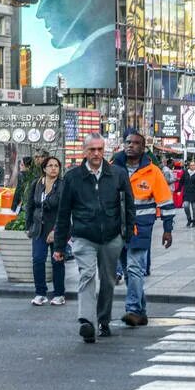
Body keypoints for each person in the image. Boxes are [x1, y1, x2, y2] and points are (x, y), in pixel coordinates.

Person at [53, 133, 135, 343]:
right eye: (92, 150)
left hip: (111, 236)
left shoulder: (117, 174)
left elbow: (129, 206)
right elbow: (63, 213)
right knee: (87, 275)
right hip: (84, 236)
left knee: (108, 280)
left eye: (100, 149)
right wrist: (59, 245)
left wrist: (128, 233)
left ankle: (103, 320)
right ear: (84, 151)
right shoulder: (72, 177)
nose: (96, 153)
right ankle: (86, 321)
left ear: (104, 150)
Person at [112, 129, 175, 327]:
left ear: (143, 147)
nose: (130, 145)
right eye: (128, 142)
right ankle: (141, 311)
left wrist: (168, 229)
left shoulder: (153, 171)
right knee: (130, 270)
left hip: (141, 228)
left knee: (134, 267)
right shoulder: (113, 168)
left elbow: (165, 201)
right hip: (117, 228)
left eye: (135, 143)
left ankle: (132, 309)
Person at [25, 156, 66, 306]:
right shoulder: (36, 184)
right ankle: (40, 293)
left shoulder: (63, 185)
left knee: (57, 261)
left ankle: (59, 294)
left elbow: (64, 210)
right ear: (44, 168)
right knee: (37, 260)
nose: (54, 168)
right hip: (38, 228)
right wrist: (28, 225)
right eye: (50, 165)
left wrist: (56, 230)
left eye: (56, 166)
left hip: (56, 228)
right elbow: (30, 205)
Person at [178, 160, 195, 227]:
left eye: (193, 165)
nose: (192, 166)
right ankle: (189, 219)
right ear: (189, 166)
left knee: (194, 208)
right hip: (186, 193)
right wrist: (178, 190)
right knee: (186, 206)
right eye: (191, 165)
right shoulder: (185, 173)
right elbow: (181, 182)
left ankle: (194, 221)